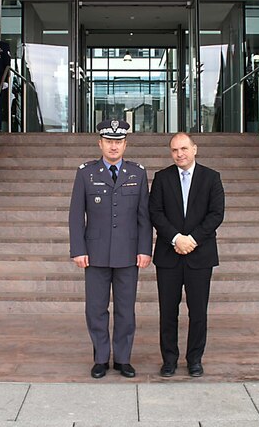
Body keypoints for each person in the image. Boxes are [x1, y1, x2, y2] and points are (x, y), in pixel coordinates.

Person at [68, 119, 152, 379]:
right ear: (100, 143)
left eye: (118, 142)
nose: (113, 146)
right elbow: (75, 215)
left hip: (128, 254)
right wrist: (78, 250)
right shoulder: (85, 173)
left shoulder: (137, 173)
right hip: (95, 254)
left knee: (126, 310)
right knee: (96, 308)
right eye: (109, 141)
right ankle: (101, 358)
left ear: (125, 144)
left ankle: (123, 358)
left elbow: (144, 217)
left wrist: (145, 249)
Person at [149, 132, 225, 378]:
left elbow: (216, 214)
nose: (179, 154)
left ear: (195, 149)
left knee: (198, 311)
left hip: (199, 255)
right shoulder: (161, 178)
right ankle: (169, 359)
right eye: (174, 150)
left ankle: (195, 359)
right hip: (168, 255)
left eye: (183, 148)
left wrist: (191, 239)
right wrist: (175, 238)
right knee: (168, 311)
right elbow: (155, 212)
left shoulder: (211, 178)